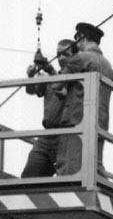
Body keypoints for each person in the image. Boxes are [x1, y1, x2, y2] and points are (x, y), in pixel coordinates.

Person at [55, 22, 113, 177]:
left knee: (69, 167)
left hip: (77, 120)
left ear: (82, 37)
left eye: (77, 39)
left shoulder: (80, 58)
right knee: (94, 164)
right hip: (100, 122)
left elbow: (56, 84)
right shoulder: (108, 66)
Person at [20, 39, 76, 178]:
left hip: (65, 136)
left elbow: (62, 84)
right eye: (59, 54)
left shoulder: (76, 78)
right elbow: (30, 90)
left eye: (66, 54)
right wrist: (31, 76)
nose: (61, 58)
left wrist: (49, 69)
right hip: (47, 136)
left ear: (74, 57)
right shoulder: (51, 77)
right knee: (29, 177)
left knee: (66, 180)